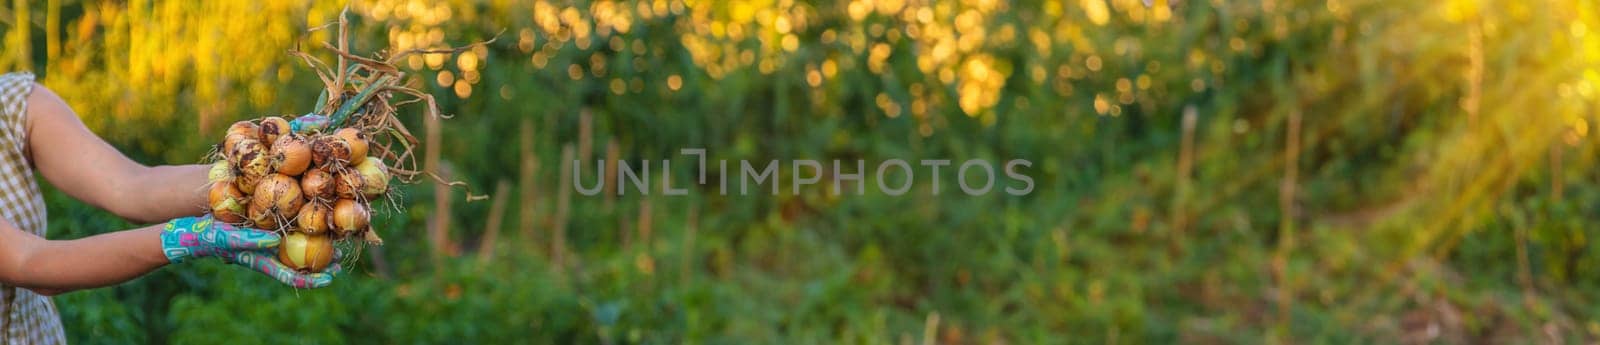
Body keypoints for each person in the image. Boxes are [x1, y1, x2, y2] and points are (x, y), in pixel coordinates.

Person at [0, 72, 339, 342]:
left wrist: (262, 174)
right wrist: (186, 238)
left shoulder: (13, 103)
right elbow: (31, 264)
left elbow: (131, 186)